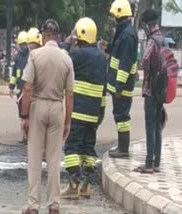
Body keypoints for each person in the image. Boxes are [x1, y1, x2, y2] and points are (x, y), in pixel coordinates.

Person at [21, 19, 74, 214]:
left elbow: (27, 89)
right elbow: (69, 94)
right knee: (54, 158)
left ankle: (33, 205)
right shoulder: (66, 59)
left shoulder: (35, 55)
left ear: (43, 36)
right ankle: (54, 204)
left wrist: (25, 117)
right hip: (57, 107)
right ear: (58, 36)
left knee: (35, 157)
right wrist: (68, 121)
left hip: (38, 106)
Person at [60, 17, 107, 200]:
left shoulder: (77, 55)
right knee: (88, 148)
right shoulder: (101, 58)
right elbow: (103, 89)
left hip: (78, 111)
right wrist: (100, 112)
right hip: (94, 112)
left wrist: (66, 43)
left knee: (72, 147)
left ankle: (73, 186)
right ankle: (86, 186)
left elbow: (61, 58)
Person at [133, 9, 166, 173]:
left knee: (150, 126)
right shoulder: (163, 39)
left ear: (148, 24)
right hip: (162, 90)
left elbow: (145, 59)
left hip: (151, 88)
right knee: (158, 126)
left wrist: (147, 73)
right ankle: (157, 162)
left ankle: (148, 163)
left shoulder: (152, 40)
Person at [107, 0, 138, 158]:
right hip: (119, 86)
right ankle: (121, 147)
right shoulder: (124, 32)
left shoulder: (127, 35)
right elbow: (117, 53)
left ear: (119, 14)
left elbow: (125, 63)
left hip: (122, 87)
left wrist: (119, 85)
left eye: (114, 15)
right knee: (119, 115)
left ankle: (123, 149)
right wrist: (107, 47)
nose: (112, 18)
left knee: (122, 116)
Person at [9, 31, 29, 144]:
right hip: (20, 91)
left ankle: (28, 136)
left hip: (27, 90)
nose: (23, 47)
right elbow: (14, 74)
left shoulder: (31, 56)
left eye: (24, 44)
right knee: (23, 115)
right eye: (21, 45)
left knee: (27, 115)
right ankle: (25, 137)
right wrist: (11, 87)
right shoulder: (18, 58)